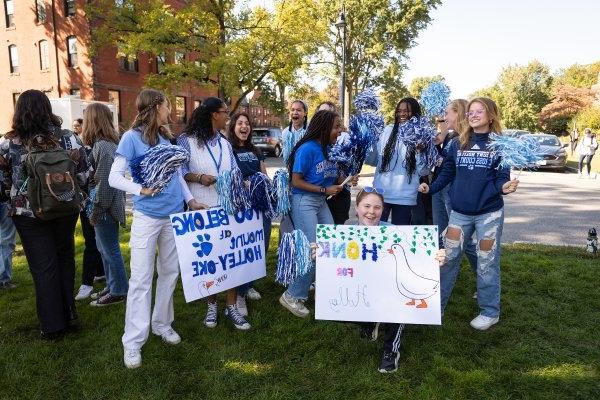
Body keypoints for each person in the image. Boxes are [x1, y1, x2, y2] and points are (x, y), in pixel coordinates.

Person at [109, 88, 202, 368]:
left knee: (170, 272)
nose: (170, 110)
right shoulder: (131, 138)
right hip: (148, 218)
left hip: (174, 216)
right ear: (155, 107)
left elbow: (176, 176)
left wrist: (190, 199)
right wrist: (142, 189)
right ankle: (134, 341)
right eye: (167, 105)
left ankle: (163, 324)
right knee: (140, 279)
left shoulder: (165, 137)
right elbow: (115, 177)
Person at [419, 97, 519, 331]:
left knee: (487, 263)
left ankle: (489, 312)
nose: (473, 115)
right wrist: (430, 188)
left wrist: (503, 188)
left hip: (489, 215)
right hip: (459, 214)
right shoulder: (457, 143)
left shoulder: (500, 146)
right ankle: (436, 308)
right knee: (448, 260)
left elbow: (501, 179)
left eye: (479, 111)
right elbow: (447, 174)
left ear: (491, 116)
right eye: (471, 112)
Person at [0, 89, 89, 339]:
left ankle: (52, 326)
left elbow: (4, 181)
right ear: (48, 109)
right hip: (64, 207)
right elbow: (84, 173)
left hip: (28, 214)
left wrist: (14, 195)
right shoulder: (68, 138)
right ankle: (70, 315)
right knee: (65, 259)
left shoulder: (9, 143)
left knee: (43, 267)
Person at [349, 188, 445, 373]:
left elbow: (420, 258)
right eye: (366, 206)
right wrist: (320, 254)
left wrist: (437, 258)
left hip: (390, 287)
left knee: (400, 303)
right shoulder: (344, 235)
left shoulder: (395, 233)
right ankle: (370, 322)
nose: (371, 211)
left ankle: (391, 350)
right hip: (365, 288)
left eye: (377, 207)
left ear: (383, 210)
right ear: (357, 207)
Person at [177, 97, 251, 331]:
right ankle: (211, 304)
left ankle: (231, 306)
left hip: (228, 209)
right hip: (202, 207)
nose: (227, 116)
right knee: (210, 261)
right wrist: (199, 178)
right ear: (212, 115)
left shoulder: (225, 144)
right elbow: (179, 173)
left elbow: (235, 171)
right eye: (224, 112)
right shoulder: (186, 141)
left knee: (230, 258)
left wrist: (243, 186)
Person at [279, 109, 358, 317]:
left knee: (328, 247)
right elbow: (296, 181)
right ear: (324, 128)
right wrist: (325, 190)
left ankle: (311, 285)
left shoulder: (330, 148)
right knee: (313, 250)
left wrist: (344, 178)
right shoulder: (308, 149)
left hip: (320, 202)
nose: (340, 130)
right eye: (336, 126)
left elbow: (329, 174)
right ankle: (292, 295)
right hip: (303, 201)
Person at [81, 103, 129, 306]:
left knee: (110, 250)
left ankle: (119, 291)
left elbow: (105, 184)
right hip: (103, 205)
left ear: (93, 120)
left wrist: (96, 209)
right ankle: (112, 286)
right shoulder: (103, 144)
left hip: (105, 207)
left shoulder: (104, 146)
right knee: (103, 249)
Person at [226, 111, 270, 316]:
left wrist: (268, 186)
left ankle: (249, 284)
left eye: (247, 123)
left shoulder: (255, 149)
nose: (244, 126)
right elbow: (228, 177)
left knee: (261, 246)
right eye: (240, 123)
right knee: (245, 249)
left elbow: (264, 174)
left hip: (260, 204)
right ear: (233, 126)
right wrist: (246, 184)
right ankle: (240, 295)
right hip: (242, 208)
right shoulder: (228, 149)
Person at [432, 100, 478, 288]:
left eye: (447, 113)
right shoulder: (450, 138)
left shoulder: (468, 139)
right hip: (439, 190)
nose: (444, 117)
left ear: (458, 113)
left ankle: (482, 282)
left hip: (453, 194)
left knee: (462, 240)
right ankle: (442, 280)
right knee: (442, 237)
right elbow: (442, 164)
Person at [370, 97, 429, 225]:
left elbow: (424, 171)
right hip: (381, 193)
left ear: (415, 113)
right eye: (399, 111)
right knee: (375, 234)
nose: (402, 114)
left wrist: (419, 151)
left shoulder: (421, 134)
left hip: (405, 196)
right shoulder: (387, 131)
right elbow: (373, 160)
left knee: (399, 237)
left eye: (407, 111)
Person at [72, 117, 105, 301]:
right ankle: (98, 273)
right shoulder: (83, 148)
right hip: (86, 200)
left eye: (80, 125)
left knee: (94, 241)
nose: (78, 129)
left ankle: (87, 282)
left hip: (96, 200)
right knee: (92, 239)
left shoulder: (101, 147)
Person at [317, 101, 352, 225]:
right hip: (320, 193)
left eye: (329, 113)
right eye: (321, 113)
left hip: (339, 193)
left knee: (335, 231)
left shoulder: (345, 138)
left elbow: (349, 166)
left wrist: (349, 177)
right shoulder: (313, 142)